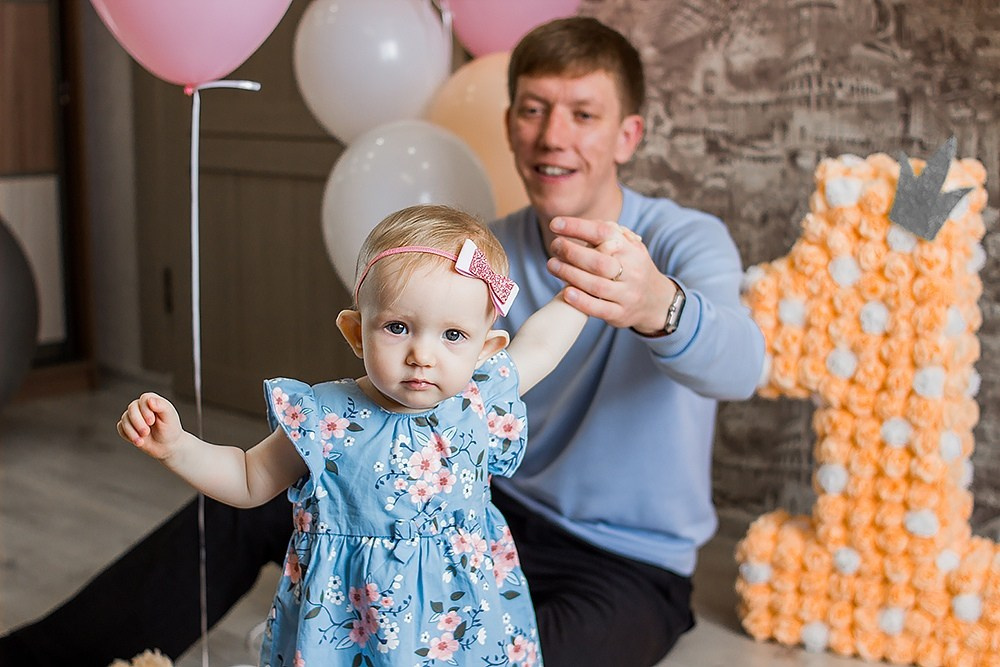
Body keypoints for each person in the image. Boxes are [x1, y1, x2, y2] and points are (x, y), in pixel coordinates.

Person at [0, 16, 764, 667]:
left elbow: (741, 365)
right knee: (262, 495)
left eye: (582, 113)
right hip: (478, 504)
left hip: (621, 562)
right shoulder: (472, 260)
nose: (552, 136)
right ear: (509, 126)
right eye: (533, 109)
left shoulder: (679, 242)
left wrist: (657, 302)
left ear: (628, 133)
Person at [117, 204, 602, 665]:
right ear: (355, 332)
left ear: (486, 348)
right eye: (397, 327)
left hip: (461, 625)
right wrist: (178, 447)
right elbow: (248, 479)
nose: (421, 355)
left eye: (452, 335)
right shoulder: (325, 418)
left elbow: (541, 344)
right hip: (348, 624)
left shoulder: (478, 400)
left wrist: (583, 290)